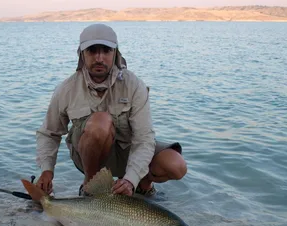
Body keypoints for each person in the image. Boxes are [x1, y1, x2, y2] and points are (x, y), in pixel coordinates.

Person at [35, 23, 187, 197]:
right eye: (92, 50)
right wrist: (47, 171)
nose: (99, 58)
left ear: (115, 53)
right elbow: (49, 133)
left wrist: (131, 179)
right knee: (100, 122)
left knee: (176, 165)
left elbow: (144, 138)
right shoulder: (66, 89)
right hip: (88, 157)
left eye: (106, 50)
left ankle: (140, 188)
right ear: (81, 54)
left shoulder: (135, 85)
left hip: (127, 154)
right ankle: (90, 188)